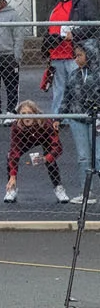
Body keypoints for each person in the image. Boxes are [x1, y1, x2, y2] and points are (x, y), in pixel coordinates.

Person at [45, 0, 99, 153]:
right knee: (59, 88)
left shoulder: (82, 3)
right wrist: (46, 47)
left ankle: (80, 116)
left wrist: (75, 35)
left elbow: (93, 25)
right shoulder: (57, 3)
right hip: (57, 53)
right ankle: (58, 119)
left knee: (78, 86)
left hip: (74, 53)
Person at [4, 99, 67, 204]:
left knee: (50, 160)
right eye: (23, 114)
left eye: (30, 113)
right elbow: (14, 150)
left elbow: (58, 147)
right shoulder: (16, 126)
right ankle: (11, 187)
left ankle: (58, 188)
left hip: (44, 138)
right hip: (25, 140)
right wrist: (13, 175)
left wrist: (46, 158)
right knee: (10, 155)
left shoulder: (46, 123)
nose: (26, 117)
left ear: (35, 114)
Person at [62, 39, 100, 197]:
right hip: (77, 119)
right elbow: (67, 96)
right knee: (83, 156)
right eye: (75, 56)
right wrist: (59, 117)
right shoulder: (73, 74)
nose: (76, 59)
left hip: (96, 118)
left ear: (89, 55)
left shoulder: (97, 75)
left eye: (80, 55)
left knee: (98, 155)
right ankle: (87, 192)